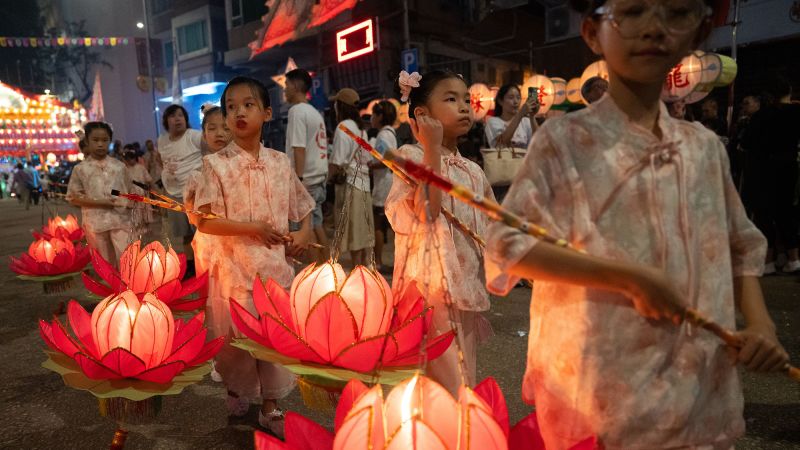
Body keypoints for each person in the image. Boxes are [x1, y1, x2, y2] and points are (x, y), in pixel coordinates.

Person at [484, 1, 789, 448]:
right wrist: (629, 277)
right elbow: (508, 243)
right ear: (592, 32)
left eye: (676, 12)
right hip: (600, 389)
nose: (653, 28)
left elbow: (740, 244)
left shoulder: (704, 147)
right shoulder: (565, 139)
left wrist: (761, 324)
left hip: (698, 386)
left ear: (697, 32)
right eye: (632, 12)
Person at [194, 77, 314, 436]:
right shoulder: (214, 165)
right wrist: (252, 228)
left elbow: (303, 206)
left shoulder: (280, 162)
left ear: (266, 113)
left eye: (247, 105)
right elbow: (204, 221)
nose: (238, 113)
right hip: (235, 270)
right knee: (239, 344)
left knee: (273, 340)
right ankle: (237, 387)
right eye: (231, 107)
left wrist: (304, 233)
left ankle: (271, 406)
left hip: (276, 270)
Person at [386, 70, 495, 396]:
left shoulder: (472, 168)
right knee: (439, 381)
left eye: (466, 99)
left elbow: (491, 223)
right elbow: (427, 212)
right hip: (428, 291)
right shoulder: (411, 157)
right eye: (451, 99)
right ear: (422, 114)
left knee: (463, 373)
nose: (464, 107)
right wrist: (431, 150)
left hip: (465, 287)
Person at [741, 77, 800, 274]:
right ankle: (793, 258)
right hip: (789, 166)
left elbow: (747, 142)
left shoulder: (761, 116)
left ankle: (768, 261)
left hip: (764, 168)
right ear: (789, 91)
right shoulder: (796, 113)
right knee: (786, 211)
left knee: (765, 213)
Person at [66, 122, 132, 265]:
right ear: (87, 142)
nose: (100, 144)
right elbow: (72, 197)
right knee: (104, 264)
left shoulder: (119, 166)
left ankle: (128, 287)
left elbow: (128, 191)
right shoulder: (81, 169)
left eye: (104, 140)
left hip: (120, 221)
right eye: (95, 140)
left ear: (110, 140)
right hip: (95, 224)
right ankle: (108, 287)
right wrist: (101, 203)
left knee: (127, 260)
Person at [284, 68, 329, 262]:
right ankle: (328, 267)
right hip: (319, 177)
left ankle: (314, 272)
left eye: (286, 86)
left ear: (295, 86)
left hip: (306, 179)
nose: (284, 90)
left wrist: (298, 180)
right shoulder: (314, 112)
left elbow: (298, 148)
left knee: (305, 229)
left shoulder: (296, 111)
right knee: (316, 225)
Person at [329, 88, 375, 267]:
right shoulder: (361, 130)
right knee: (363, 228)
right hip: (364, 184)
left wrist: (327, 178)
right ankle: (364, 266)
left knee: (355, 229)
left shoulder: (343, 128)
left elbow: (338, 161)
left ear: (340, 106)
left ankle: (357, 270)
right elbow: (368, 159)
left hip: (351, 184)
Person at [157, 104, 203, 273]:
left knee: (202, 231)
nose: (177, 119)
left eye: (180, 115)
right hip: (174, 193)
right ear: (166, 121)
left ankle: (203, 265)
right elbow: (162, 161)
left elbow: (209, 153)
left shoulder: (194, 136)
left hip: (195, 193)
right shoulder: (162, 141)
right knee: (185, 234)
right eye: (173, 116)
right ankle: (190, 267)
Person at [370, 100, 398, 273]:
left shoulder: (383, 135)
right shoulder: (390, 134)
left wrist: (371, 165)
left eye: (373, 114)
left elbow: (388, 161)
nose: (371, 118)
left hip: (384, 186)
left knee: (379, 225)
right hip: (388, 184)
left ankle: (378, 263)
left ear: (380, 116)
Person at [122, 145, 154, 236]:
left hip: (142, 192)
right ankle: (139, 228)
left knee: (146, 211)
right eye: (128, 159)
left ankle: (146, 227)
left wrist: (150, 190)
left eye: (131, 159)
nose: (130, 161)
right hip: (132, 194)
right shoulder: (125, 170)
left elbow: (148, 180)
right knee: (136, 212)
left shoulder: (141, 167)